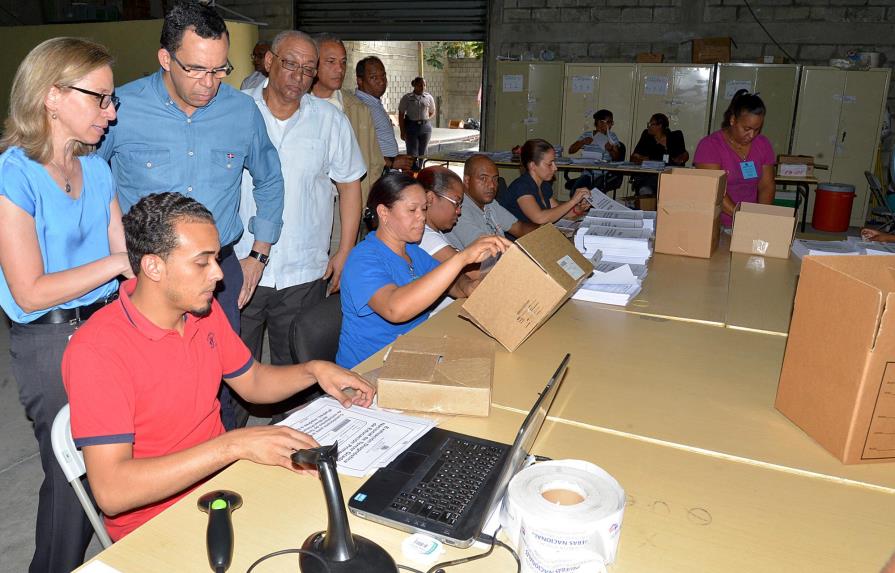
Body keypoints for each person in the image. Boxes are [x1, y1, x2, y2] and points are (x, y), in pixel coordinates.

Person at [62, 192, 375, 542]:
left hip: (225, 485)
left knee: (354, 510)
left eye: (218, 258)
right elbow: (112, 492)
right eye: (202, 262)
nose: (218, 275)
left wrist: (314, 370)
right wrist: (232, 445)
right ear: (153, 267)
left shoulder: (201, 312)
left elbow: (253, 380)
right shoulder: (99, 349)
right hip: (157, 525)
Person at [97, 0, 285, 429]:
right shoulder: (120, 111)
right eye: (197, 69)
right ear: (165, 59)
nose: (209, 83)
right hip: (144, 276)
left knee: (225, 384)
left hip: (218, 273)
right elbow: (90, 183)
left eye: (220, 70)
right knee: (152, 390)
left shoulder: (240, 112)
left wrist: (258, 253)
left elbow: (270, 179)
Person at [0, 37, 131, 572]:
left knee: (114, 462)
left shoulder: (96, 169)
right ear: (52, 96)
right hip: (47, 339)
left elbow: (124, 251)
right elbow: (30, 290)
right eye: (101, 98)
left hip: (104, 327)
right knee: (71, 479)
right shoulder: (14, 174)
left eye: (112, 99)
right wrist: (120, 265)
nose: (112, 112)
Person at [236, 31, 364, 376]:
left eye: (309, 69)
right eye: (290, 64)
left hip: (305, 271)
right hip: (240, 265)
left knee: (298, 372)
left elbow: (350, 184)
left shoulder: (329, 120)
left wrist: (345, 249)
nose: (299, 75)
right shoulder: (234, 109)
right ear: (268, 62)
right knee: (232, 374)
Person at [336, 173, 510, 369]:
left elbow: (456, 286)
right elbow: (395, 309)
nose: (422, 217)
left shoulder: (412, 251)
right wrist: (462, 259)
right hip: (368, 368)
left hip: (409, 354)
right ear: (384, 213)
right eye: (412, 210)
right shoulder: (363, 259)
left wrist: (471, 286)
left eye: (424, 209)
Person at [309, 33, 384, 254]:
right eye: (330, 62)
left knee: (340, 270)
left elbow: (374, 163)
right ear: (313, 63)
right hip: (307, 208)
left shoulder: (357, 109)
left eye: (343, 62)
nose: (339, 69)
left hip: (345, 209)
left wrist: (361, 208)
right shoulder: (298, 105)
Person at [694, 89, 775, 228]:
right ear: (732, 120)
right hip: (716, 223)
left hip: (750, 220)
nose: (751, 135)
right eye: (747, 128)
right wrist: (741, 217)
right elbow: (715, 191)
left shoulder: (763, 144)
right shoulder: (709, 146)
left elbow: (766, 186)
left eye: (757, 129)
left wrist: (761, 216)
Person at [445, 155, 537, 248]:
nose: (492, 186)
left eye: (495, 179)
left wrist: (548, 232)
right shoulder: (458, 210)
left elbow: (519, 228)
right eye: (483, 178)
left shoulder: (490, 203)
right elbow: (486, 249)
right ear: (467, 181)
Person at [499, 139, 590, 225]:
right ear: (533, 165)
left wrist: (579, 208)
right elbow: (540, 218)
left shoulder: (544, 185)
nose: (555, 168)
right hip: (515, 240)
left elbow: (558, 212)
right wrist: (573, 201)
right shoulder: (521, 186)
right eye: (550, 164)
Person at [355, 56, 414, 171]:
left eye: (383, 75)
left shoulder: (373, 103)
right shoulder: (360, 107)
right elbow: (357, 150)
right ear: (360, 81)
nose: (381, 81)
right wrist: (391, 162)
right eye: (373, 77)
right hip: (377, 175)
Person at [629, 112, 689, 195]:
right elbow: (633, 157)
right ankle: (647, 193)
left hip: (670, 174)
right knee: (648, 183)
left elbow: (684, 154)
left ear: (660, 125)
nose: (648, 126)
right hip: (650, 173)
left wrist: (681, 159)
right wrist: (641, 160)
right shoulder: (646, 136)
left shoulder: (675, 136)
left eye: (651, 124)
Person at [567, 109, 625, 192]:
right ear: (599, 122)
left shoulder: (612, 136)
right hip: (588, 173)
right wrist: (582, 142)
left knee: (595, 191)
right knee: (576, 191)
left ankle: (593, 204)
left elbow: (617, 157)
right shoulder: (587, 135)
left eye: (611, 122)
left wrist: (611, 149)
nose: (610, 125)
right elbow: (571, 150)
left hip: (604, 174)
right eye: (608, 122)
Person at [398, 77, 436, 170]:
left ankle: (420, 170)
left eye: (424, 85)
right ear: (414, 85)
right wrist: (402, 131)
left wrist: (426, 119)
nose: (422, 87)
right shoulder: (407, 98)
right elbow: (401, 114)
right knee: (412, 152)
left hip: (425, 128)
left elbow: (432, 111)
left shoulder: (428, 97)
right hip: (411, 127)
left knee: (423, 152)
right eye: (419, 85)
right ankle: (412, 171)